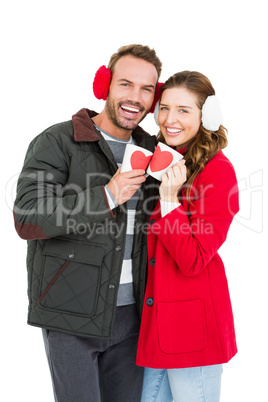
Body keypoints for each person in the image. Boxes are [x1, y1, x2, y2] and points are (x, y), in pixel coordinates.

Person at [13, 44, 162, 402]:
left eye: (146, 89)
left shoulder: (156, 151)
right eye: (126, 84)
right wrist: (106, 195)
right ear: (105, 85)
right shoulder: (58, 141)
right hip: (70, 318)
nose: (135, 98)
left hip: (133, 319)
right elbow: (28, 217)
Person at [136, 71, 239, 402]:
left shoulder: (218, 171)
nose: (169, 119)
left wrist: (169, 200)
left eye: (184, 110)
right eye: (164, 108)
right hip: (155, 325)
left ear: (206, 115)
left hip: (192, 330)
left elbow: (193, 259)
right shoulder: (162, 160)